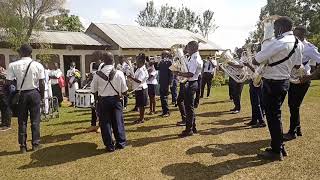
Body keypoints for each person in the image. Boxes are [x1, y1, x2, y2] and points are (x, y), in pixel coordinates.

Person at [252, 16, 303, 161]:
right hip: (284, 82)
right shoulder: (298, 43)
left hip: (272, 83)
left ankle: (276, 150)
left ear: (280, 28)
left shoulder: (277, 43)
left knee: (273, 117)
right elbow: (298, 66)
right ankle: (279, 146)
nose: (273, 32)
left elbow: (256, 60)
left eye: (274, 28)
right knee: (276, 115)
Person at [6, 44, 45, 153]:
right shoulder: (38, 65)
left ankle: (23, 146)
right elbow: (42, 83)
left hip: (21, 94)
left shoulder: (13, 65)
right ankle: (35, 144)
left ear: (21, 53)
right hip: (34, 93)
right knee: (35, 120)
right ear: (30, 53)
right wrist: (41, 97)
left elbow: (8, 82)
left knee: (22, 121)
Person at [283, 26, 320, 141]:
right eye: (294, 34)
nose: (295, 36)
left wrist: (311, 76)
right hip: (293, 79)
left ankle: (292, 132)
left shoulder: (309, 48)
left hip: (302, 80)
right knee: (292, 105)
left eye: (298, 34)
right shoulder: (291, 45)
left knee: (294, 105)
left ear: (304, 34)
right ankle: (297, 129)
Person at [91, 52, 128, 152]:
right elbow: (124, 90)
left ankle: (109, 145)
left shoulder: (97, 75)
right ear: (113, 61)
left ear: (103, 61)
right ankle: (120, 143)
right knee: (118, 121)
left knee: (105, 123)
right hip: (116, 100)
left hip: (103, 101)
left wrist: (97, 101)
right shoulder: (119, 73)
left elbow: (93, 90)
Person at [174, 41, 203, 137]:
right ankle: (193, 127)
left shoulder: (195, 58)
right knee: (189, 107)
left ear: (194, 48)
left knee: (189, 108)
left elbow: (190, 73)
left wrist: (179, 73)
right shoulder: (192, 57)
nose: (187, 49)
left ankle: (189, 130)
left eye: (188, 47)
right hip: (191, 83)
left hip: (191, 83)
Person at [128, 53, 149, 124]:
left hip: (141, 88)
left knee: (142, 105)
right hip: (138, 88)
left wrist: (131, 77)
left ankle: (141, 118)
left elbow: (139, 80)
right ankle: (140, 117)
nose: (135, 61)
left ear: (140, 61)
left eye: (137, 59)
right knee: (139, 104)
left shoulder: (142, 70)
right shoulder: (139, 69)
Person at [156, 51, 173, 117]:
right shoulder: (161, 62)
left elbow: (171, 74)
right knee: (162, 97)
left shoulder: (169, 62)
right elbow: (157, 68)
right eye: (161, 54)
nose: (161, 55)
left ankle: (167, 112)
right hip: (162, 81)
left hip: (166, 82)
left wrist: (170, 83)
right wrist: (156, 62)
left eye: (163, 54)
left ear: (167, 55)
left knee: (165, 97)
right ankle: (164, 111)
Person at [229, 48, 245, 114]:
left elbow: (240, 66)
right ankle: (236, 106)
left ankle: (238, 108)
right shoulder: (237, 59)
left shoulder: (244, 58)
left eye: (239, 52)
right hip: (235, 76)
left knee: (237, 93)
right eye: (237, 52)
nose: (237, 54)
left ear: (241, 52)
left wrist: (231, 64)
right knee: (234, 93)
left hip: (240, 77)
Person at [0, 66, 12, 131]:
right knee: (2, 109)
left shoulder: (4, 74)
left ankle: (7, 124)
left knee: (6, 108)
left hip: (4, 94)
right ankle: (3, 123)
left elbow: (7, 83)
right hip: (1, 93)